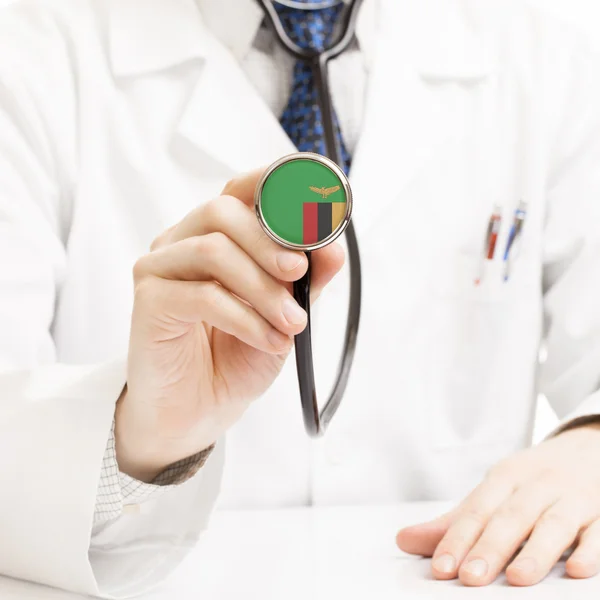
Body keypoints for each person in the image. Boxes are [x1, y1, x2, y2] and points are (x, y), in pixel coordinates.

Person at [1, 0, 600, 596]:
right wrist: (144, 442)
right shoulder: (30, 56)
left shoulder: (550, 61)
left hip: (459, 578)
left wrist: (591, 441)